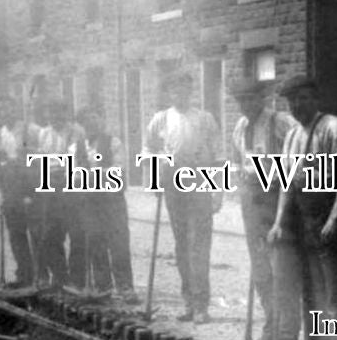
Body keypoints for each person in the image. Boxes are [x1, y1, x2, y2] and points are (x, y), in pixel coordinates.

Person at [267, 75, 337, 340]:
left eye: (304, 98)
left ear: (315, 99)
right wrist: (280, 221)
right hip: (304, 219)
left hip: (334, 219)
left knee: (336, 294)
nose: (298, 105)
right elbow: (286, 184)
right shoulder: (293, 135)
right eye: (293, 101)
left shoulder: (336, 128)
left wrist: (334, 219)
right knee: (311, 292)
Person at [143, 71, 224, 324]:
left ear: (191, 91)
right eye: (175, 90)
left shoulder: (204, 118)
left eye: (185, 89)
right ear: (169, 93)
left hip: (199, 180)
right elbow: (148, 149)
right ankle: (189, 302)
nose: (180, 94)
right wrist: (155, 178)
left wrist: (217, 191)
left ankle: (201, 305)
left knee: (198, 246)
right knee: (181, 246)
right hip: (172, 183)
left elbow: (218, 155)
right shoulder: (160, 119)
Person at [229, 78, 298, 340]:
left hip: (278, 197)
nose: (246, 105)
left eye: (251, 99)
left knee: (282, 271)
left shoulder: (281, 123)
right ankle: (270, 334)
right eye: (241, 101)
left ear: (262, 98)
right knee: (261, 272)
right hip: (252, 200)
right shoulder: (240, 126)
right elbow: (236, 161)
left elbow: (296, 159)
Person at [76, 105, 138, 302]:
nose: (90, 124)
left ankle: (125, 286)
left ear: (101, 120)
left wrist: (90, 174)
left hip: (112, 201)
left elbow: (117, 172)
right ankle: (103, 286)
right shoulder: (77, 146)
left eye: (94, 118)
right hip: (90, 202)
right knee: (95, 241)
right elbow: (75, 175)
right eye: (86, 121)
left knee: (118, 243)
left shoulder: (114, 143)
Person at [0, 95, 40, 289]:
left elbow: (42, 158)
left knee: (37, 232)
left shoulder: (32, 130)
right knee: (16, 234)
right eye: (1, 109)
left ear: (15, 109)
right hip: (11, 191)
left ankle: (41, 275)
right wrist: (3, 192)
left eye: (8, 108)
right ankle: (24, 274)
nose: (5, 112)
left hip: (32, 187)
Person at [35, 99, 87, 290]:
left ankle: (77, 280)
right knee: (51, 234)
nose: (55, 117)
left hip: (71, 184)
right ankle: (60, 276)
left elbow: (78, 158)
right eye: (51, 113)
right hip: (51, 186)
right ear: (47, 115)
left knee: (76, 234)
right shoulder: (43, 133)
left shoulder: (76, 131)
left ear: (66, 114)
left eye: (59, 113)